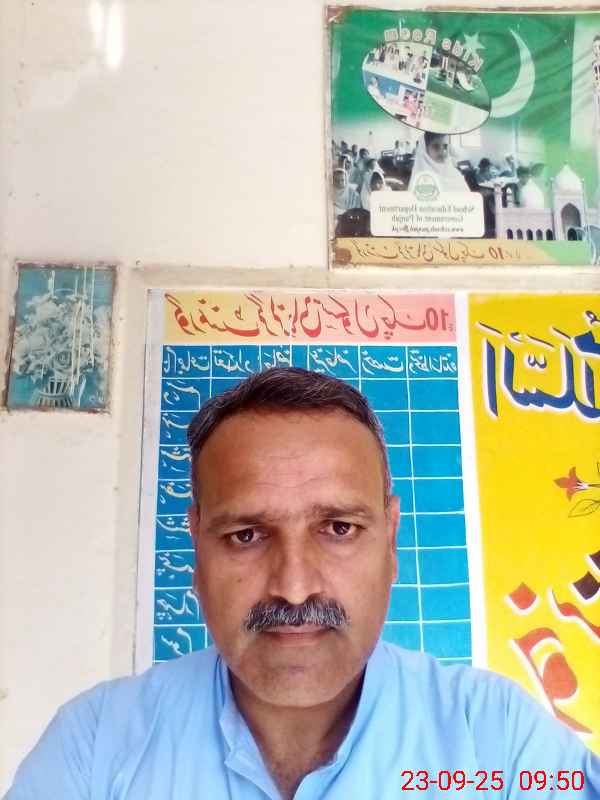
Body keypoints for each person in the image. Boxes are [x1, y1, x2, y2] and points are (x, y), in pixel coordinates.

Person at [7, 368, 600, 800]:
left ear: (392, 540)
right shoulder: (96, 747)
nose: (293, 588)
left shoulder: (496, 741)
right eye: (246, 535)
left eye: (339, 528)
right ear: (196, 547)